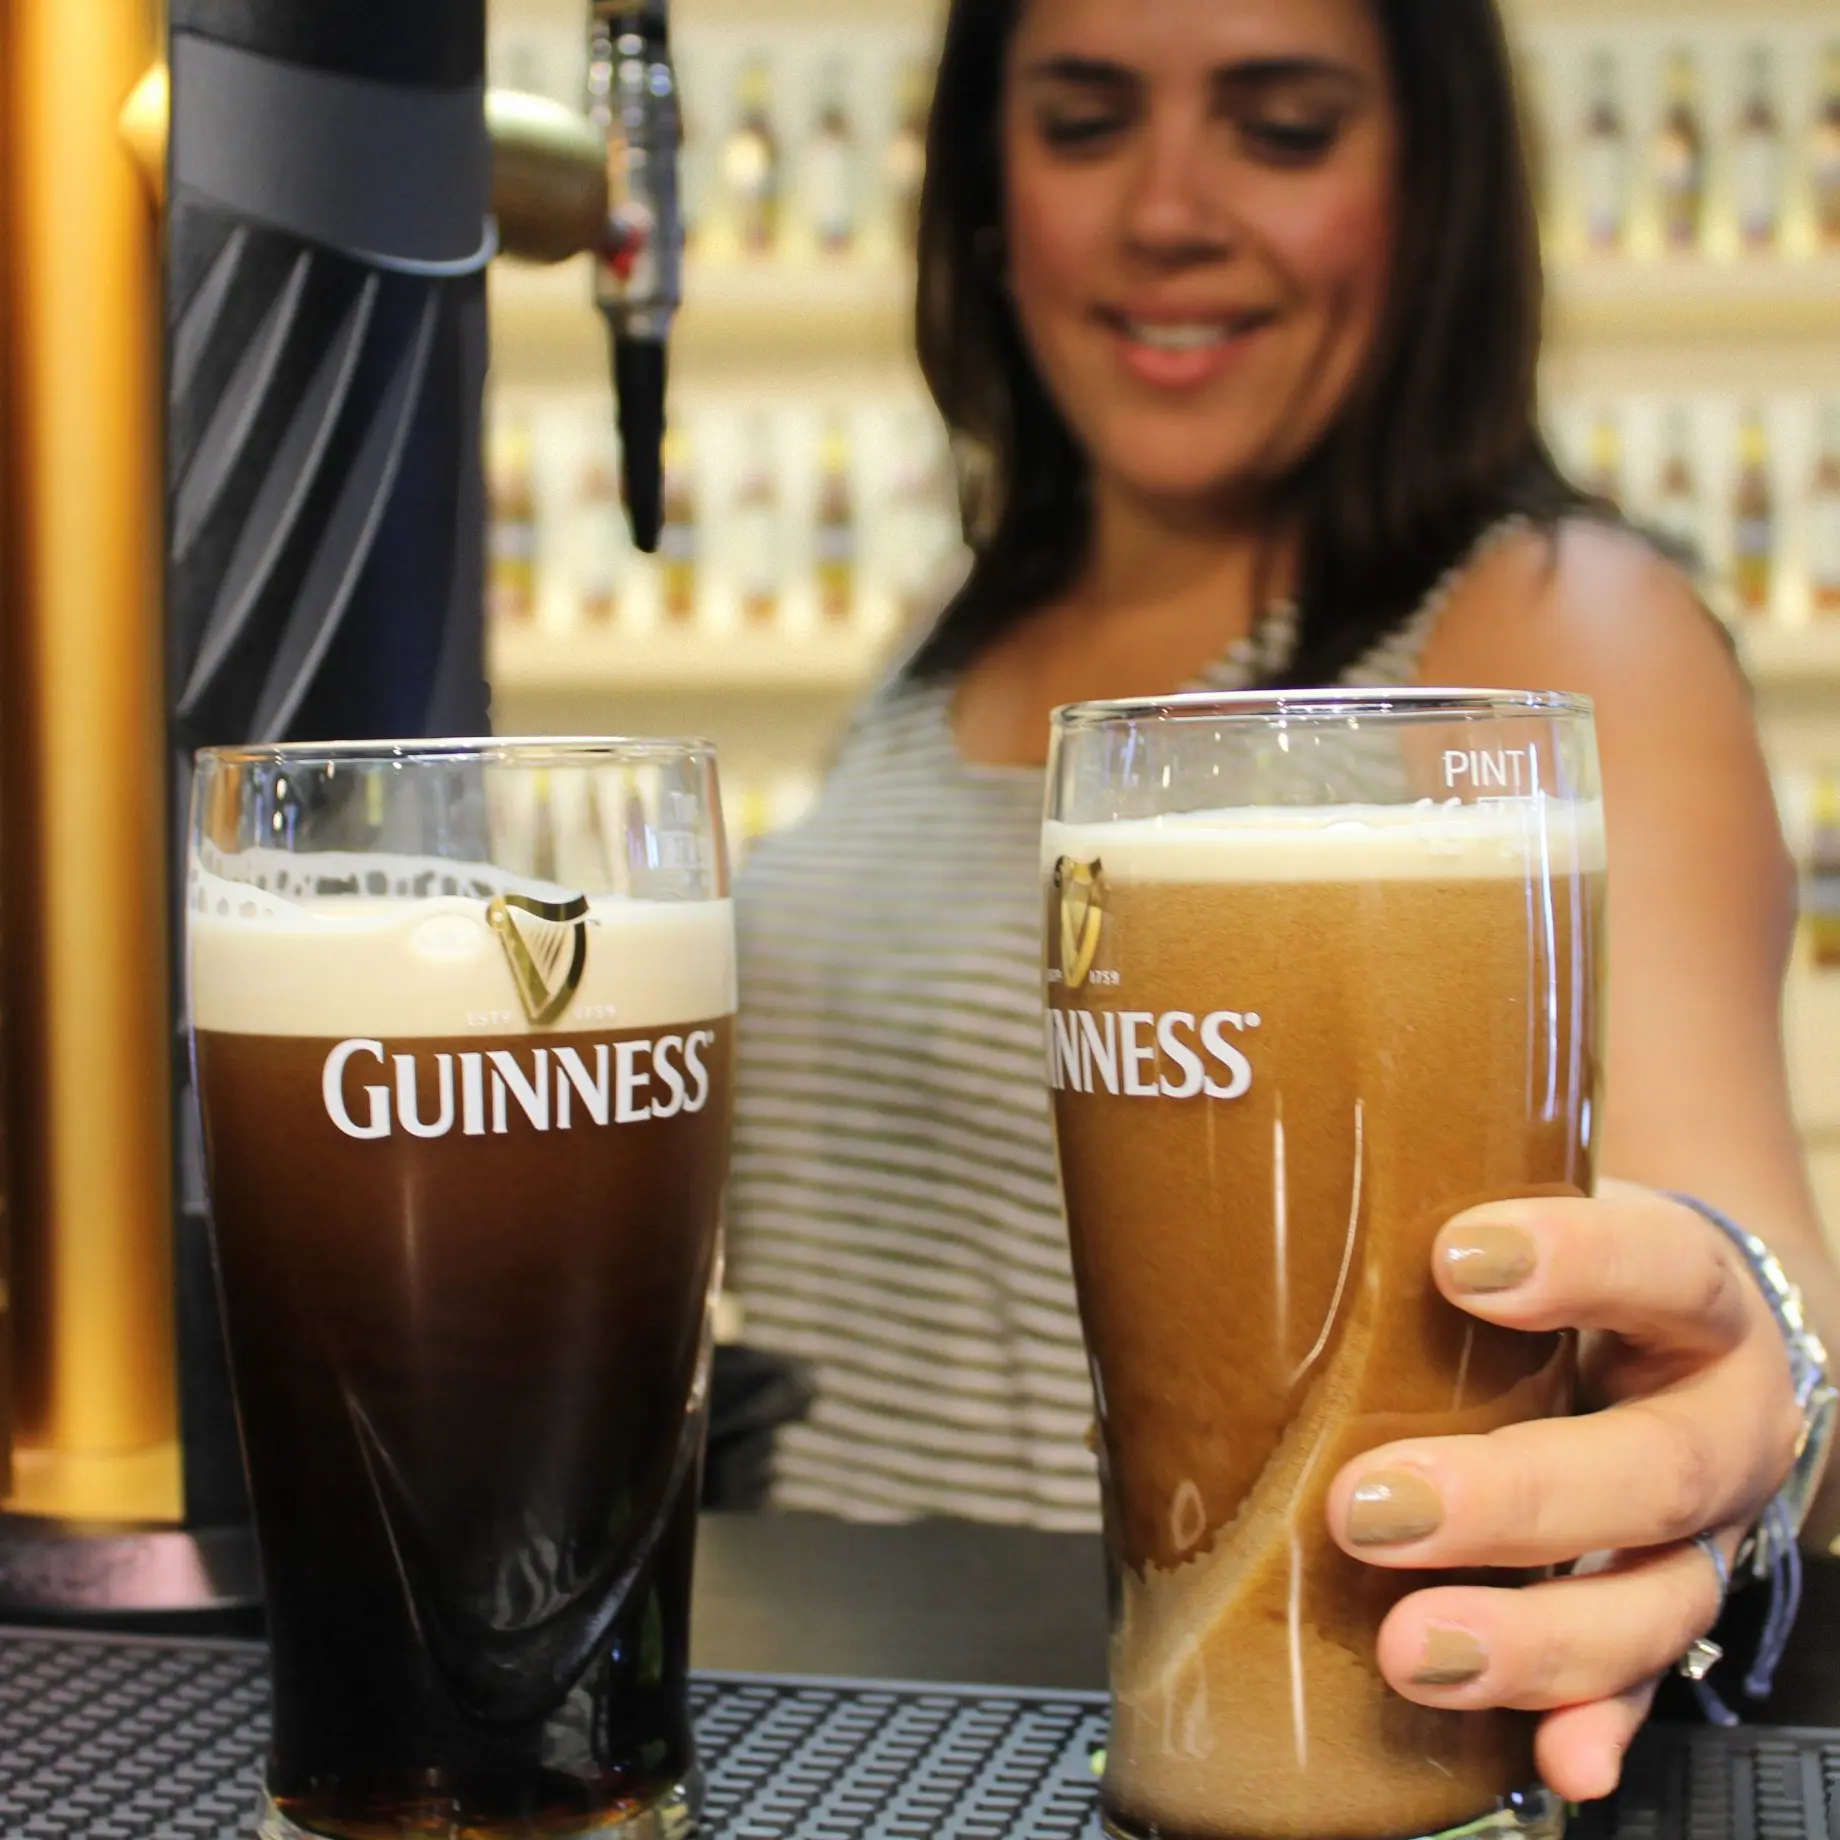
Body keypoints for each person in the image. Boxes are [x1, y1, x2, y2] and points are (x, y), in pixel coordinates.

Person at [725, 0, 1840, 1802]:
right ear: (987, 193)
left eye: (1284, 127)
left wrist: (1743, 1403)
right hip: (863, 1743)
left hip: (1249, 1759)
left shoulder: (1560, 625)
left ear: (1432, 186)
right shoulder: (953, 633)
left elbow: (1730, 1272)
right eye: (1085, 121)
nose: (1168, 211)